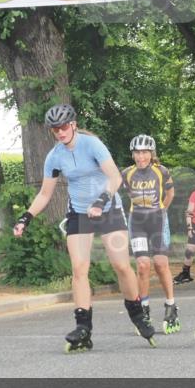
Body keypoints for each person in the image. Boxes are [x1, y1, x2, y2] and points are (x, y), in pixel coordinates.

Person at [14, 104, 154, 353]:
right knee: (79, 268)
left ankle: (137, 313)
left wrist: (101, 201)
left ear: (74, 125)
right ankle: (83, 327)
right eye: (55, 129)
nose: (60, 132)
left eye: (64, 126)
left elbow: (115, 178)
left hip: (108, 208)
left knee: (121, 265)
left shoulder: (92, 145)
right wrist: (26, 217)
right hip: (79, 212)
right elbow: (45, 194)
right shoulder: (54, 156)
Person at [120, 134, 179, 334]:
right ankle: (143, 309)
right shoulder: (126, 173)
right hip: (137, 222)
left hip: (157, 221)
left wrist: (162, 211)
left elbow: (170, 193)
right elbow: (121, 194)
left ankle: (171, 306)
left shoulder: (162, 171)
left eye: (144, 152)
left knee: (161, 265)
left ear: (151, 153)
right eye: (137, 152)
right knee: (143, 266)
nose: (140, 156)